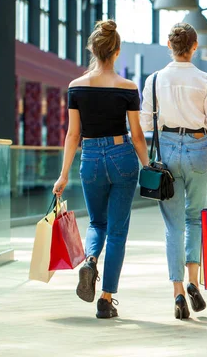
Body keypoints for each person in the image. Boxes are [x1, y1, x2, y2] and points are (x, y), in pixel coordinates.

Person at [53, 19, 150, 319]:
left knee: (97, 223)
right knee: (118, 231)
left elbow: (72, 134)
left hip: (91, 156)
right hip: (122, 156)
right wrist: (148, 167)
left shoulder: (76, 87)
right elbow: (136, 135)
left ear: (93, 50)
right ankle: (106, 299)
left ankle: (90, 261)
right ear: (117, 51)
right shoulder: (127, 87)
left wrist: (64, 173)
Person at [140, 22, 207, 320]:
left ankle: (178, 291)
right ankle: (193, 280)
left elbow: (145, 126)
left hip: (166, 151)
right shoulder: (205, 81)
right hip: (199, 146)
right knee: (195, 217)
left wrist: (147, 161)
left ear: (169, 45)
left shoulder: (153, 81)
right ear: (194, 47)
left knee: (173, 224)